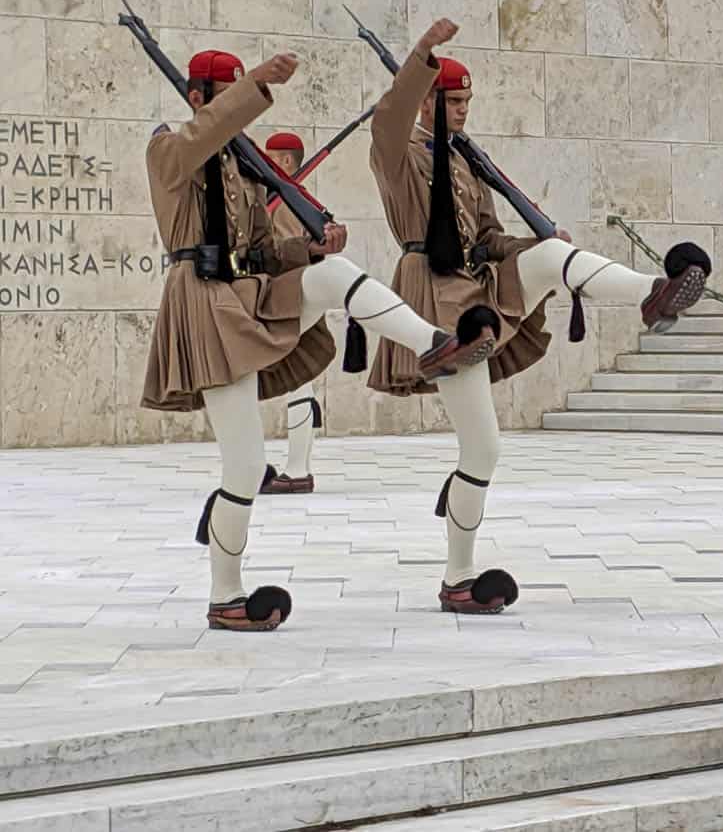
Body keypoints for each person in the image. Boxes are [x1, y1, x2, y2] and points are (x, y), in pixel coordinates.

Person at [142, 49, 496, 631]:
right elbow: (198, 140)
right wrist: (254, 85)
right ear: (199, 98)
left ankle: (433, 340)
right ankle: (225, 594)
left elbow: (262, 248)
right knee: (246, 464)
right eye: (227, 98)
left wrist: (306, 249)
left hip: (251, 293)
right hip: (206, 307)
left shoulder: (243, 167)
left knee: (332, 275)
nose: (239, 114)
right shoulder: (168, 151)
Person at [368, 18, 712, 614]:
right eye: (452, 101)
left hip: (480, 288)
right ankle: (458, 578)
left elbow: (493, 239)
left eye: (468, 101)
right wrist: (421, 56)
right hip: (437, 303)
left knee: (552, 254)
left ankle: (653, 293)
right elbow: (389, 118)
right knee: (483, 449)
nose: (463, 112)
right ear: (427, 100)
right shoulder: (398, 157)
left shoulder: (469, 164)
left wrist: (536, 244)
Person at [257, 131, 345, 495]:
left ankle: (295, 471)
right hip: (292, 296)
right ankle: (294, 469)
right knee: (298, 382)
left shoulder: (291, 205)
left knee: (293, 382)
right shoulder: (281, 199)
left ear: (288, 162)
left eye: (271, 157)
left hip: (289, 298)